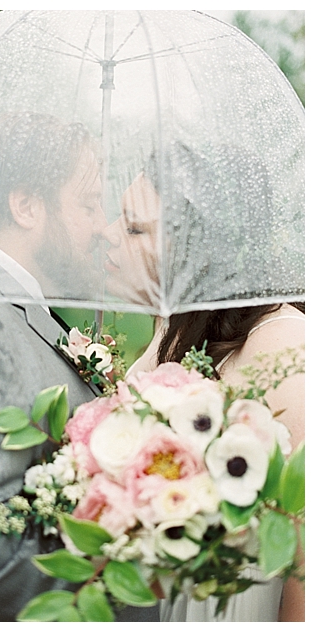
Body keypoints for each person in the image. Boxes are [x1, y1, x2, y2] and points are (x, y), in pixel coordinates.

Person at [0, 112, 158, 621]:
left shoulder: (2, 298)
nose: (103, 229)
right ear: (25, 206)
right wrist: (121, 583)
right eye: (86, 204)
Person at [102, 142, 305, 622]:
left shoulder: (286, 346)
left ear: (198, 244)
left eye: (134, 228)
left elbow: (305, 548)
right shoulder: (173, 330)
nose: (108, 234)